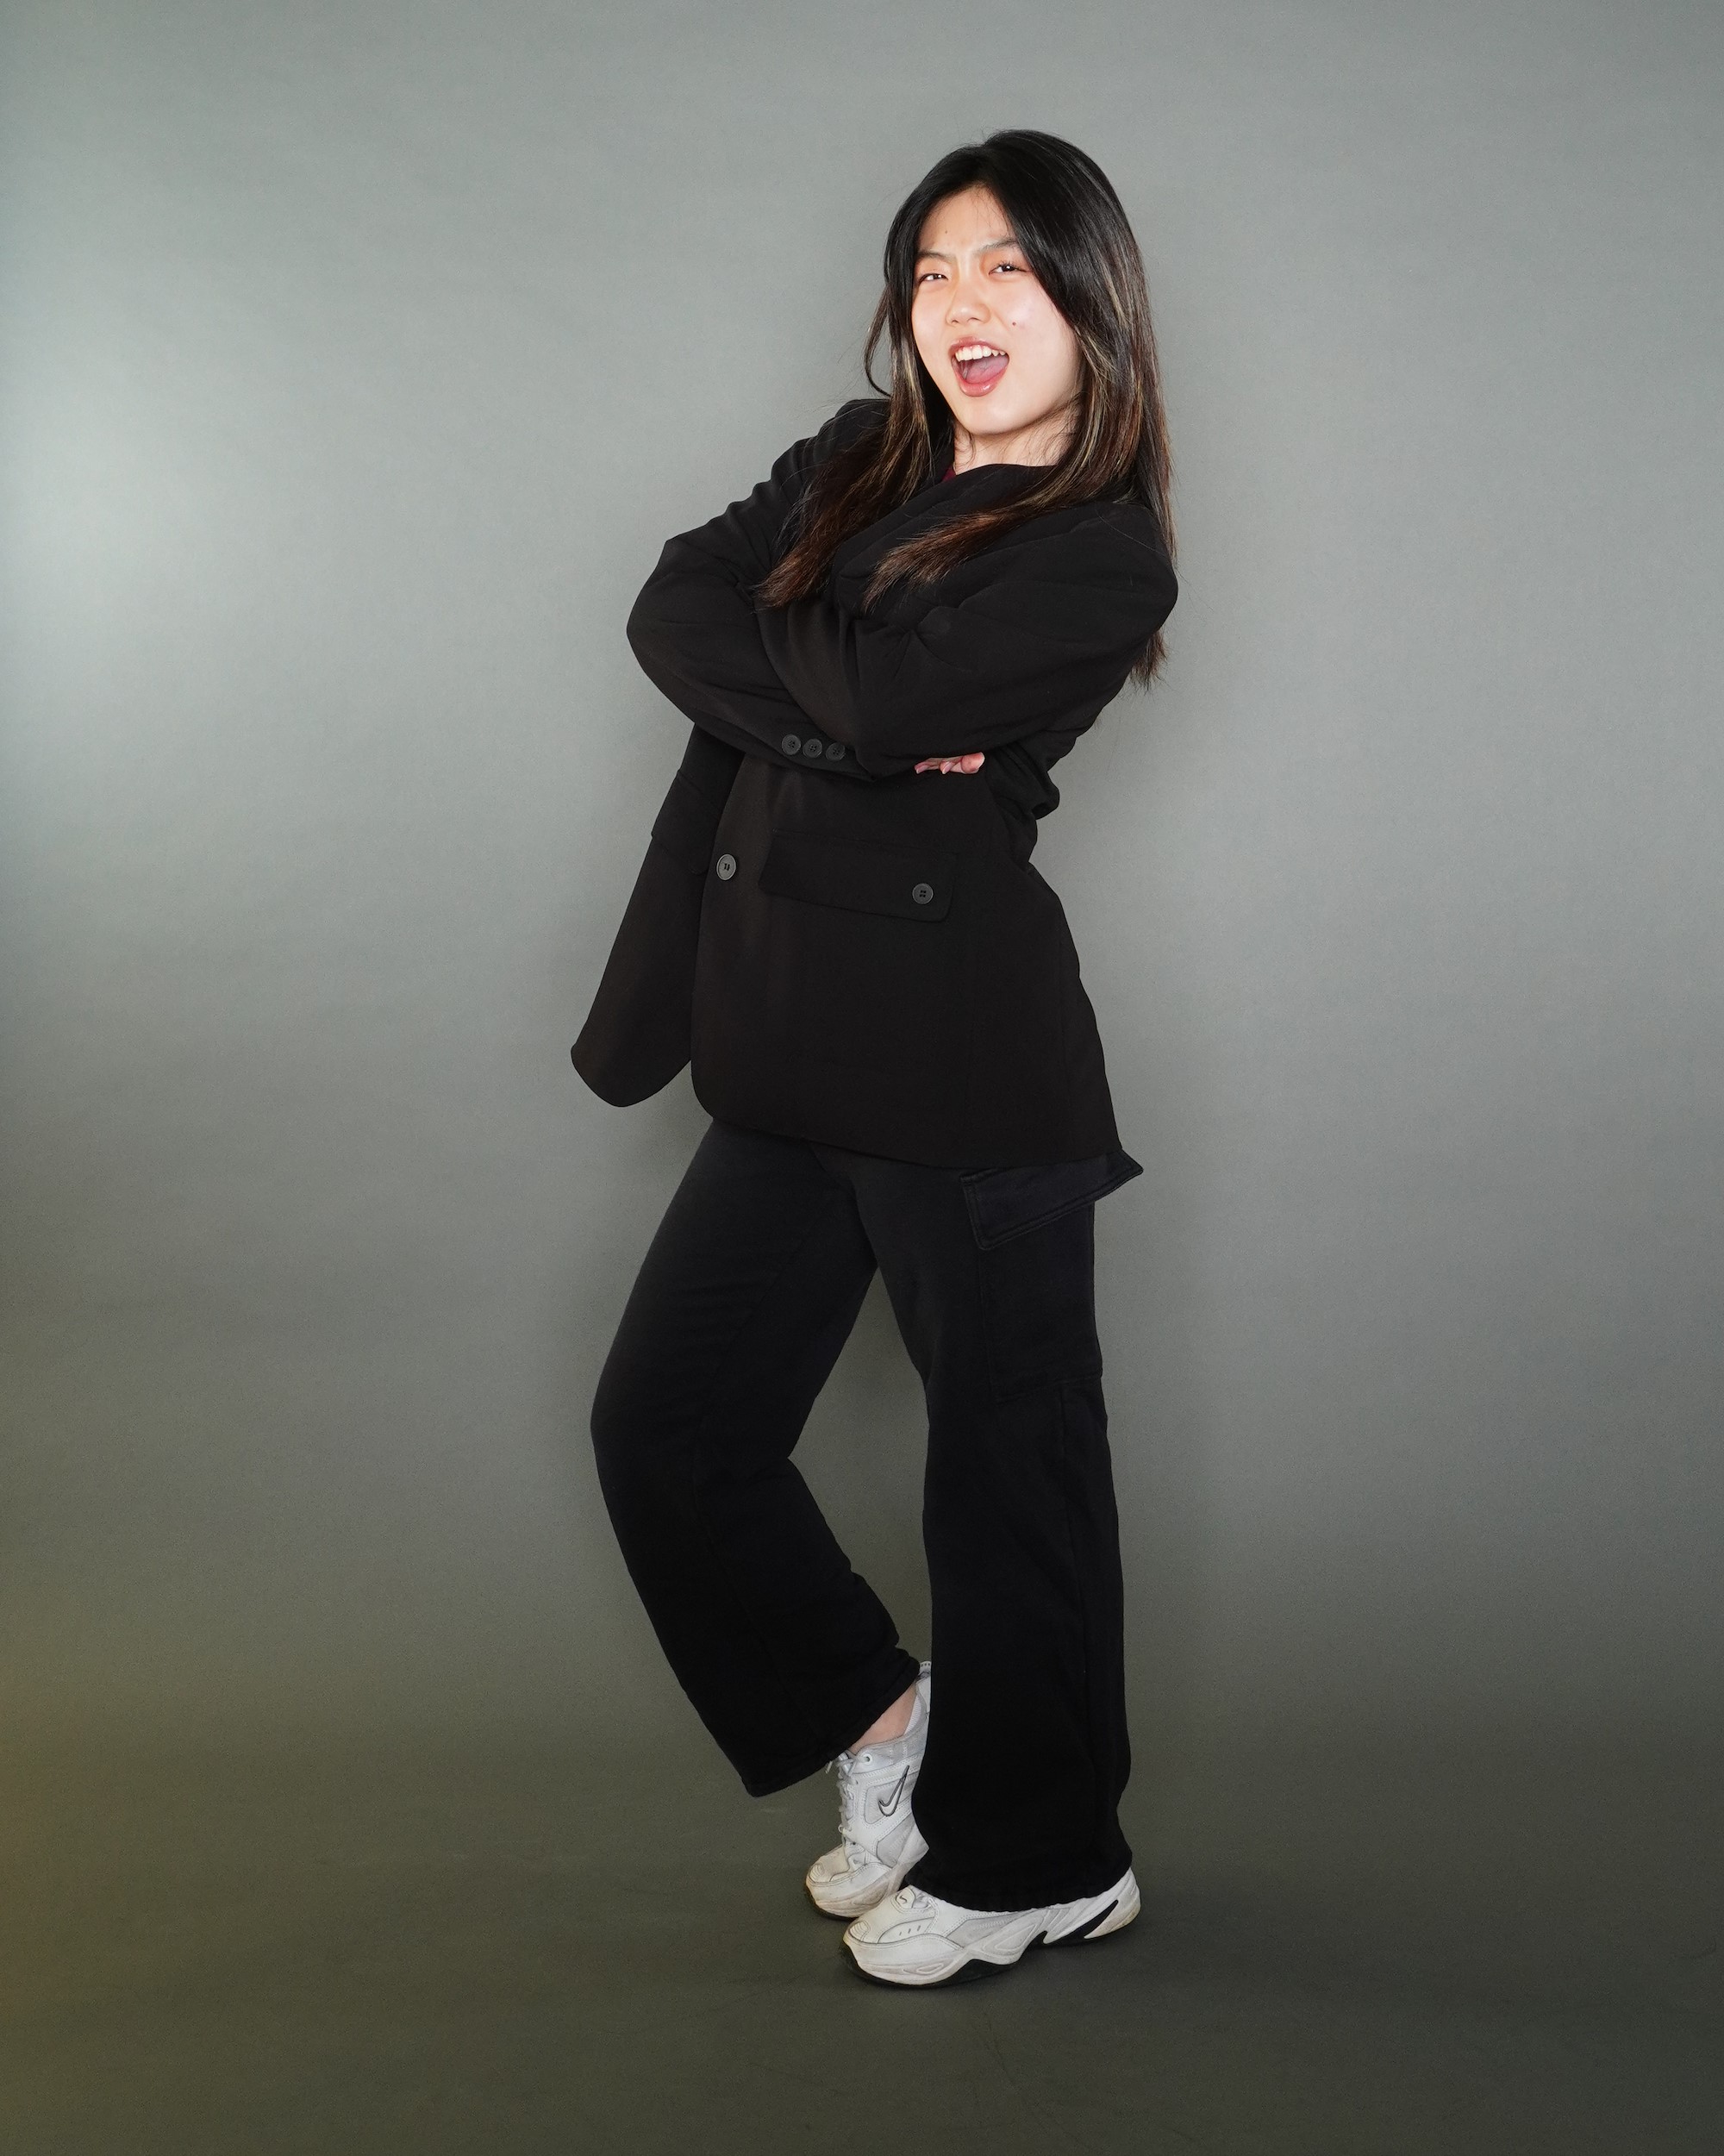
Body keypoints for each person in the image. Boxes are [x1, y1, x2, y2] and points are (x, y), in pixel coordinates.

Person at [574, 128, 1177, 1987]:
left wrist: (803, 630)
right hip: (774, 1040)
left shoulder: (1103, 554)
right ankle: (887, 1722)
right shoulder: (858, 455)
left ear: (1089, 302)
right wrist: (847, 689)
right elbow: (672, 602)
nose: (960, 304)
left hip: (963, 1065)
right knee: (669, 1433)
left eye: (1007, 267)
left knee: (1010, 1476)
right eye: (931, 270)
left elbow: (862, 679)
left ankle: (1047, 1857)